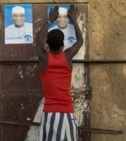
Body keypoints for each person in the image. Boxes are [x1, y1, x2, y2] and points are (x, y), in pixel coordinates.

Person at [34, 4, 83, 141]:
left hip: (49, 114)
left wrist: (50, 20)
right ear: (62, 45)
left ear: (47, 44)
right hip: (66, 113)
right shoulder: (67, 57)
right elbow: (80, 41)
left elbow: (38, 42)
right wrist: (73, 19)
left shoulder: (44, 58)